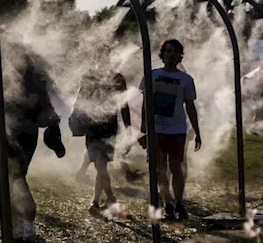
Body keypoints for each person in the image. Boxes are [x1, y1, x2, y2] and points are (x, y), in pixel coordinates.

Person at [0, 37, 62, 242]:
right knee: (16, 176)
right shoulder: (33, 71)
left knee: (11, 177)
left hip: (7, 129)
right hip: (27, 131)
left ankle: (24, 225)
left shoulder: (3, 66)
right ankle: (22, 225)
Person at [139, 39, 201, 220]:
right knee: (159, 167)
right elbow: (146, 103)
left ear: (181, 55)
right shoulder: (152, 75)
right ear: (162, 54)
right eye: (168, 51)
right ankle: (168, 203)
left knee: (176, 167)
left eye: (175, 51)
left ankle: (180, 203)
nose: (171, 55)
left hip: (177, 129)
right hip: (156, 128)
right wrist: (144, 129)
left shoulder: (186, 79)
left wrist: (197, 131)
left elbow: (190, 106)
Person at [79, 72, 132, 212]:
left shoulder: (118, 78)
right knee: (99, 166)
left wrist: (128, 130)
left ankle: (96, 201)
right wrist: (76, 119)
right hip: (92, 128)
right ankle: (109, 198)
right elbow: (80, 100)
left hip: (108, 128)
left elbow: (124, 105)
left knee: (100, 165)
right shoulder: (88, 76)